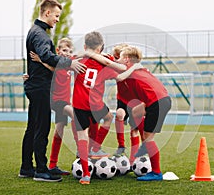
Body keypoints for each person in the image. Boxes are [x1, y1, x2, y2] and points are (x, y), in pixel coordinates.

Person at [19, 0, 86, 182]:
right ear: (47, 13)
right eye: (56, 15)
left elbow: (43, 58)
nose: (57, 19)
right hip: (40, 88)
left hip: (35, 85)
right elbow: (46, 55)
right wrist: (69, 63)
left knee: (32, 127)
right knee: (41, 128)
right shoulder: (40, 34)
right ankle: (41, 170)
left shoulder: (36, 31)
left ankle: (26, 167)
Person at [72, 31, 142, 184]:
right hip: (96, 104)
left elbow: (59, 65)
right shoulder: (104, 61)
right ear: (100, 48)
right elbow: (119, 75)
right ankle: (96, 148)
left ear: (85, 46)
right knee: (108, 117)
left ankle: (85, 175)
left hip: (79, 104)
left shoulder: (77, 60)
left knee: (82, 135)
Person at [117, 46, 172, 181]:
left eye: (120, 57)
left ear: (127, 59)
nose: (117, 60)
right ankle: (141, 148)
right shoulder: (141, 69)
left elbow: (119, 77)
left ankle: (156, 173)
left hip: (156, 102)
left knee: (148, 138)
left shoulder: (130, 71)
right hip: (161, 100)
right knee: (135, 114)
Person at [112, 44, 145, 165]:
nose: (116, 60)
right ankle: (121, 145)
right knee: (119, 114)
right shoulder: (117, 67)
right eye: (115, 57)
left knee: (134, 129)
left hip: (135, 101)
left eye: (118, 57)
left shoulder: (136, 69)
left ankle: (133, 160)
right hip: (122, 100)